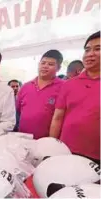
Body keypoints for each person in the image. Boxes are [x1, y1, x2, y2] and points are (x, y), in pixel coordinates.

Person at [50, 31, 100, 164]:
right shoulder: (69, 84)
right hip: (66, 152)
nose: (90, 54)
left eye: (97, 49)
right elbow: (57, 118)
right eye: (87, 50)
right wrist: (51, 147)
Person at [16, 50, 64, 139]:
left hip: (47, 142)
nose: (45, 66)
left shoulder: (63, 87)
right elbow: (18, 111)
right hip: (22, 139)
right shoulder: (25, 86)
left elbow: (61, 117)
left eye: (50, 64)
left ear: (58, 68)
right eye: (43, 63)